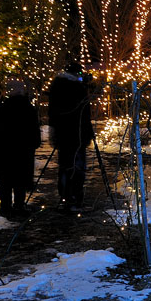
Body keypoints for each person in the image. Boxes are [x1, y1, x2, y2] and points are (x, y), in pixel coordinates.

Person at [0, 80, 41, 216]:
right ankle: (19, 204)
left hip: (5, 148)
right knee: (21, 178)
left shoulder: (3, 107)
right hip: (23, 148)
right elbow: (34, 129)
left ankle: (6, 205)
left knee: (5, 178)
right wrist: (35, 142)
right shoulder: (28, 107)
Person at [48, 62, 94, 211]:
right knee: (76, 166)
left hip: (64, 133)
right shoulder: (75, 88)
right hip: (76, 133)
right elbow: (83, 113)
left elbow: (53, 113)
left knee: (65, 166)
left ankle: (66, 197)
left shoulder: (57, 86)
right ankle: (74, 198)